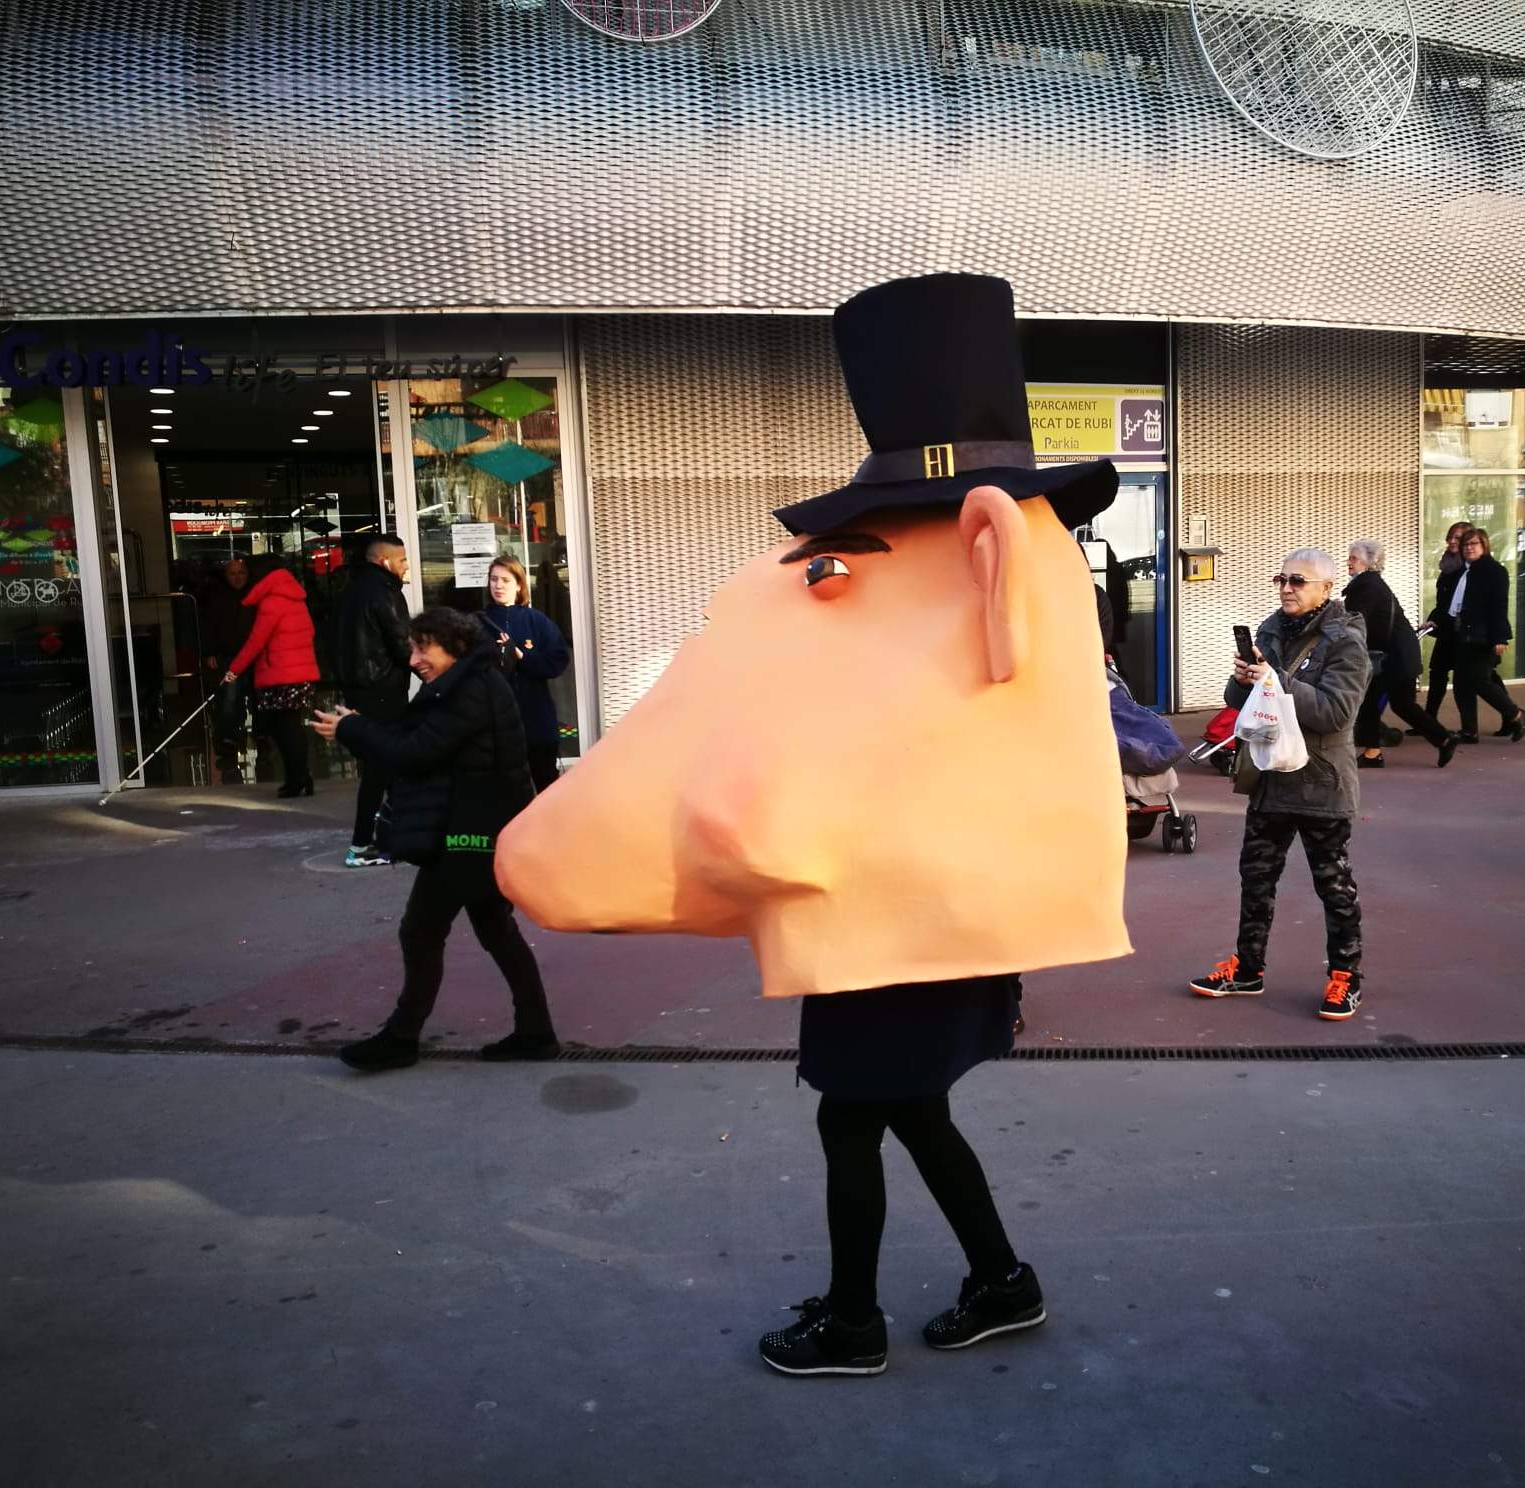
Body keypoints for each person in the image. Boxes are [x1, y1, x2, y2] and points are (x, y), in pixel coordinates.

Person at [497, 273, 1131, 1378]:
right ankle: (1000, 1281)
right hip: (915, 912)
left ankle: (853, 1319)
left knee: (858, 1119)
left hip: (896, 919)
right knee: (909, 1113)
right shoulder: (993, 566)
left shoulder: (1004, 559)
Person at [310, 607, 558, 1068]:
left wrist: (353, 730)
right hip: (474, 829)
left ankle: (403, 1038)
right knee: (493, 930)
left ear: (455, 647)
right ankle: (534, 1030)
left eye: (423, 648)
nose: (413, 659)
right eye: (412, 647)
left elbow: (414, 752)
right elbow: (417, 738)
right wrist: (358, 725)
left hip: (468, 835)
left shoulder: (471, 691)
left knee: (422, 930)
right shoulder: (464, 685)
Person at [1189, 547, 1372, 1020]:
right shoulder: (1271, 629)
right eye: (1281, 579)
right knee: (1256, 878)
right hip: (1270, 777)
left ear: (1327, 589)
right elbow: (1244, 702)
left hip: (1321, 783)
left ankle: (1345, 977)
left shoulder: (1345, 640)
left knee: (1332, 885)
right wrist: (1243, 680)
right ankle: (1247, 969)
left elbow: (1337, 713)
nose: (1286, 588)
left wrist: (1277, 681)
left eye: (1298, 581)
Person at [1343, 538, 1456, 769]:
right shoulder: (1371, 584)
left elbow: (1355, 621)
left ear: (1368, 562)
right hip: (1398, 654)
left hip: (1392, 657)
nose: (1349, 562)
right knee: (1395, 704)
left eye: (1354, 558)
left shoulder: (1367, 586)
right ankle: (1442, 740)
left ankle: (1440, 739)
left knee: (1378, 703)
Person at [337, 534, 412, 866]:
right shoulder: (385, 593)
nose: (406, 566)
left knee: (390, 766)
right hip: (384, 691)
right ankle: (361, 844)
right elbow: (401, 644)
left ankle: (399, 835)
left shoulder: (351, 591)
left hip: (360, 690)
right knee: (381, 768)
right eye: (403, 560)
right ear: (385, 561)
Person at [223, 555, 321, 797]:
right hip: (298, 673)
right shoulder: (294, 598)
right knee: (291, 727)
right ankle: (302, 776)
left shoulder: (272, 603)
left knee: (285, 730)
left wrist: (233, 670)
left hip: (281, 675)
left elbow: (256, 641)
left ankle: (296, 780)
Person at [480, 555, 572, 796]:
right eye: (493, 579)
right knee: (500, 793)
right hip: (492, 723)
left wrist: (522, 657)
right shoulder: (477, 623)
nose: (498, 586)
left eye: (506, 580)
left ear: (519, 584)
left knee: (545, 788)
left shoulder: (537, 621)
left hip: (536, 721)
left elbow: (557, 661)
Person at [1429, 527, 1525, 745]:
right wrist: (1436, 621)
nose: (1469, 548)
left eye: (1474, 544)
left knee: (1480, 681)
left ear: (1484, 546)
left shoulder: (1494, 571)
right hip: (1461, 635)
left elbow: (1498, 606)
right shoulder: (1464, 572)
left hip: (1482, 636)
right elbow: (1452, 605)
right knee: (1462, 685)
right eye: (1466, 545)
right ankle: (1469, 731)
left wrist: (1500, 638)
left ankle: (1516, 714)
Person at [202, 556, 254, 784]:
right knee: (230, 698)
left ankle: (258, 735)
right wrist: (210, 653)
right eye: (233, 573)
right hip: (228, 656)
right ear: (226, 576)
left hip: (253, 656)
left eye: (241, 573)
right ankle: (229, 739)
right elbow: (209, 627)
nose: (237, 578)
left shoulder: (255, 596)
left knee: (254, 696)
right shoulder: (217, 598)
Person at [1419, 521, 1470, 725]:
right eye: (1450, 536)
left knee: (1482, 678)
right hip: (1447, 628)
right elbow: (1443, 601)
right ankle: (1429, 719)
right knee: (1437, 672)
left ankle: (1511, 715)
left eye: (1457, 538)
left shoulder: (1468, 569)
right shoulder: (1448, 566)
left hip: (1462, 630)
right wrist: (1434, 620)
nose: (1451, 541)